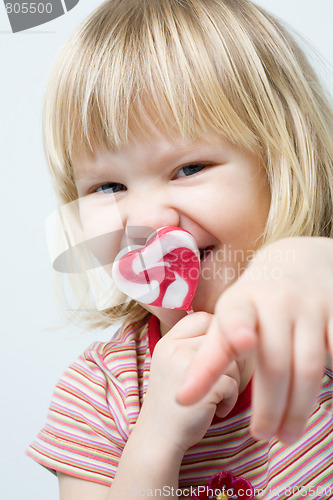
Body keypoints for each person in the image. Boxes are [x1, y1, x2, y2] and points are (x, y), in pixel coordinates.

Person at [27, 0, 333, 498]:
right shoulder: (98, 397)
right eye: (107, 186)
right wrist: (155, 442)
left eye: (189, 169)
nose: (146, 220)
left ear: (282, 163)